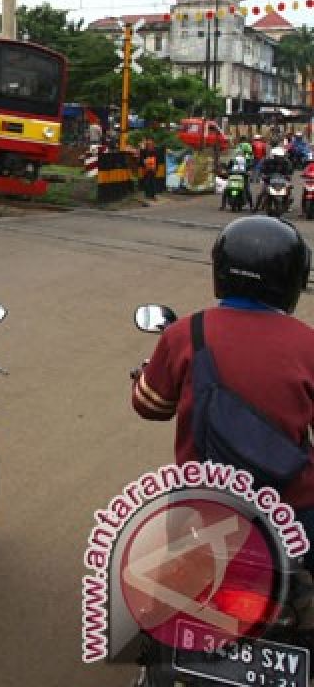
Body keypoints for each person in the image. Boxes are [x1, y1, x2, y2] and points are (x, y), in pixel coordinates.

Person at [131, 216, 314, 544]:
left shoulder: (186, 332)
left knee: (178, 583)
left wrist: (143, 377)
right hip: (290, 506)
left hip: (204, 499)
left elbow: (150, 407)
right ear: (293, 280)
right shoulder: (308, 343)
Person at [254, 146, 294, 211]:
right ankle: (256, 207)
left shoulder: (286, 162)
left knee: (289, 190)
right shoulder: (267, 161)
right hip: (268, 179)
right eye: (277, 156)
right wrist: (262, 175)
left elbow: (290, 170)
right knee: (262, 193)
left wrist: (288, 176)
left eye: (281, 156)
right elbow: (261, 169)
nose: (279, 158)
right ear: (273, 155)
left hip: (282, 179)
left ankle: (287, 205)